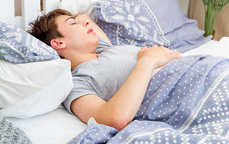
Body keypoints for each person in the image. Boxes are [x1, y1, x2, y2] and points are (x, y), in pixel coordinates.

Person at [28, 9, 182, 131]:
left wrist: (76, 21)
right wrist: (148, 61)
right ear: (58, 43)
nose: (85, 24)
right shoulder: (77, 83)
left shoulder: (103, 49)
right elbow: (115, 119)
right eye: (74, 24)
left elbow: (84, 17)